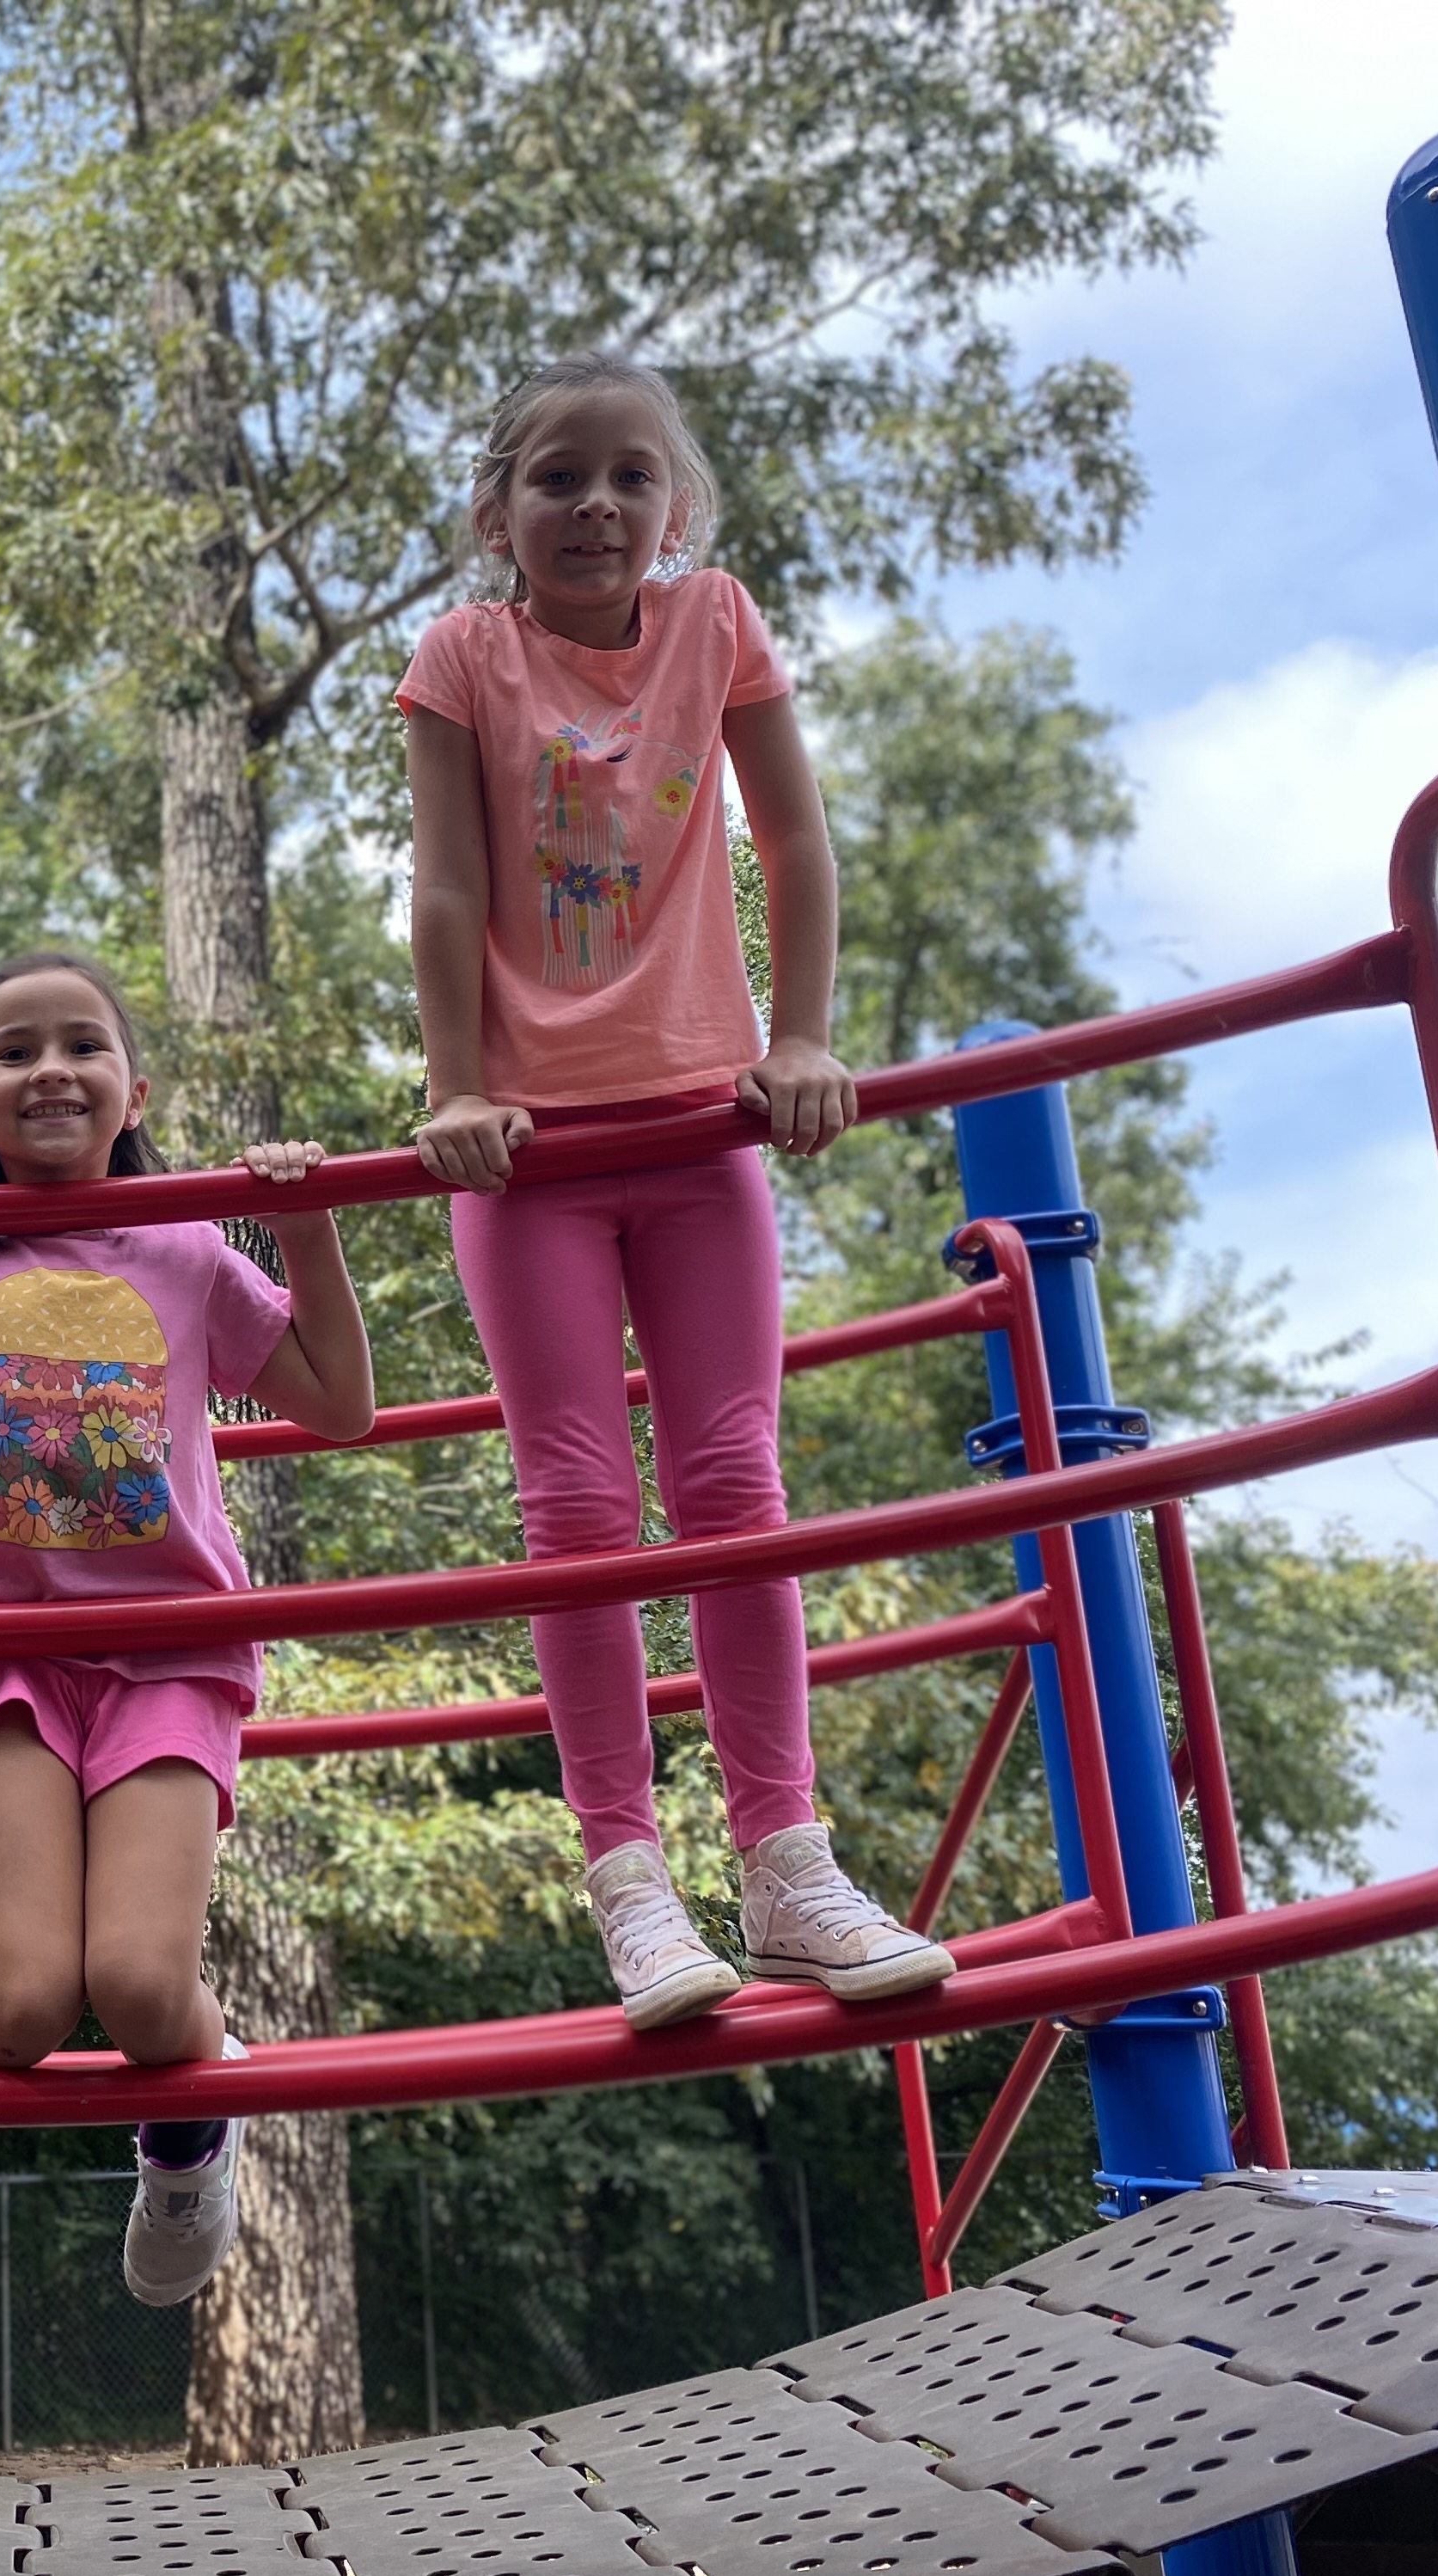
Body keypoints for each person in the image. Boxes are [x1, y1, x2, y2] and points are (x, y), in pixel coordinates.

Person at [396, 353, 955, 2030]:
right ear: (496, 513)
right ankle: (631, 1881)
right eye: (556, 478)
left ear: (677, 509)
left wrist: (801, 1042)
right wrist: (456, 1086)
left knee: (735, 1483)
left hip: (705, 1135)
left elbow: (796, 843)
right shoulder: (464, 658)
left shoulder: (715, 624)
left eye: (631, 477)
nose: (596, 505)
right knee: (577, 1507)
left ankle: (787, 1863)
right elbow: (445, 889)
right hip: (537, 1157)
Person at [0, 952, 374, 2327]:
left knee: (145, 1987)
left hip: (168, 1647)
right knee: (36, 1998)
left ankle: (187, 2144)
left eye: (83, 1046)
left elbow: (339, 1402)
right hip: (2, 1652)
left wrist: (315, 1223)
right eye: (13, 1052)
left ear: (132, 1088)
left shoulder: (183, 1244)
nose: (51, 1068)